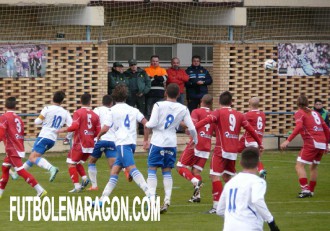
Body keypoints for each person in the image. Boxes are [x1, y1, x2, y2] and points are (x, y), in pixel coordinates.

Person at [195, 91, 263, 214]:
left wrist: (193, 128)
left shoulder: (218, 112)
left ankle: (216, 206)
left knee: (215, 176)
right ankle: (240, 200)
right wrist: (260, 143)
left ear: (219, 102)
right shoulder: (239, 115)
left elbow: (206, 121)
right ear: (231, 102)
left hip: (221, 149)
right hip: (233, 150)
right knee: (227, 177)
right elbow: (251, 129)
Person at [144, 83, 198, 214]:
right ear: (179, 95)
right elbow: (191, 127)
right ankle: (167, 199)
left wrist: (144, 123)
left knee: (152, 169)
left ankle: (151, 199)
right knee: (167, 171)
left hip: (157, 141)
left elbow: (151, 123)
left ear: (165, 93)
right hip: (171, 142)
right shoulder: (183, 108)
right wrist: (195, 140)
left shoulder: (158, 105)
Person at [97, 84, 153, 205]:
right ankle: (102, 200)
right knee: (115, 171)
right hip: (131, 143)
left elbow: (106, 128)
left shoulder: (112, 110)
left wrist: (98, 136)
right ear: (126, 96)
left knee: (132, 168)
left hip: (122, 143)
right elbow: (146, 123)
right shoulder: (133, 110)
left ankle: (150, 196)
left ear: (114, 98)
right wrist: (145, 140)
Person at [216, 147, 280, 231]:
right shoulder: (258, 181)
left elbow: (220, 210)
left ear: (240, 163)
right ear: (258, 164)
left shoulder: (230, 183)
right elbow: (257, 200)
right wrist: (271, 223)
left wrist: (233, 220)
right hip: (250, 226)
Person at [280, 94, 329, 198]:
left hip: (311, 142)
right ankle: (310, 191)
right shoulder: (315, 113)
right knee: (313, 167)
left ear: (297, 103)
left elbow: (298, 127)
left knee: (299, 165)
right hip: (321, 142)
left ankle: (305, 189)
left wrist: (288, 140)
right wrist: (327, 144)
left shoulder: (299, 113)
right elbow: (326, 129)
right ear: (307, 103)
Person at [0, 97, 47, 199]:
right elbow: (20, 133)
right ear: (15, 106)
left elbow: (1, 133)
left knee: (20, 171)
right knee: (5, 167)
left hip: (12, 148)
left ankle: (40, 190)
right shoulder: (18, 118)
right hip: (18, 147)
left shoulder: (4, 117)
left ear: (5, 106)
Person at [23, 91, 72, 182]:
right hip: (52, 140)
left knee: (33, 157)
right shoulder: (65, 112)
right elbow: (72, 126)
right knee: (33, 155)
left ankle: (51, 168)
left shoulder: (47, 108)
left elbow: (37, 122)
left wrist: (43, 118)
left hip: (44, 136)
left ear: (52, 98)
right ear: (62, 101)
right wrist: (67, 138)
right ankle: (19, 173)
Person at [57, 93, 101, 192]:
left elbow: (75, 126)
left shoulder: (78, 112)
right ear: (90, 102)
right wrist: (90, 137)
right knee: (77, 163)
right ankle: (85, 179)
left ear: (80, 101)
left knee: (70, 163)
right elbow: (98, 132)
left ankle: (77, 187)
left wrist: (63, 130)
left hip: (80, 143)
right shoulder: (95, 115)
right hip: (90, 145)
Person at [176, 94, 215, 203]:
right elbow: (215, 132)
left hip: (196, 143)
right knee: (196, 171)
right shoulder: (213, 114)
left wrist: (178, 121)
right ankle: (197, 196)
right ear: (211, 103)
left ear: (201, 101)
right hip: (207, 146)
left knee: (180, 167)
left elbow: (192, 126)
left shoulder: (196, 111)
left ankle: (195, 182)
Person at [87, 95, 117, 191]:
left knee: (91, 161)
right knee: (113, 166)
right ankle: (125, 171)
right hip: (112, 141)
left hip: (100, 139)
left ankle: (94, 186)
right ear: (111, 103)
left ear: (102, 102)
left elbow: (92, 121)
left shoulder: (97, 110)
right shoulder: (113, 111)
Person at [238, 97, 267, 179]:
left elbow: (241, 123)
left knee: (254, 157)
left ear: (249, 104)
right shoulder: (262, 114)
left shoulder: (248, 115)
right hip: (257, 138)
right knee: (236, 149)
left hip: (251, 139)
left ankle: (261, 171)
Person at [125, 59, 151, 134]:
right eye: (132, 65)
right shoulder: (126, 73)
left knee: (142, 112)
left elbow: (148, 83)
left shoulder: (143, 72)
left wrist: (143, 92)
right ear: (130, 66)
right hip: (130, 95)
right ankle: (129, 129)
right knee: (129, 112)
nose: (133, 66)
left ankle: (142, 130)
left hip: (141, 94)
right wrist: (127, 94)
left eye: (134, 65)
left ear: (137, 65)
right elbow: (124, 84)